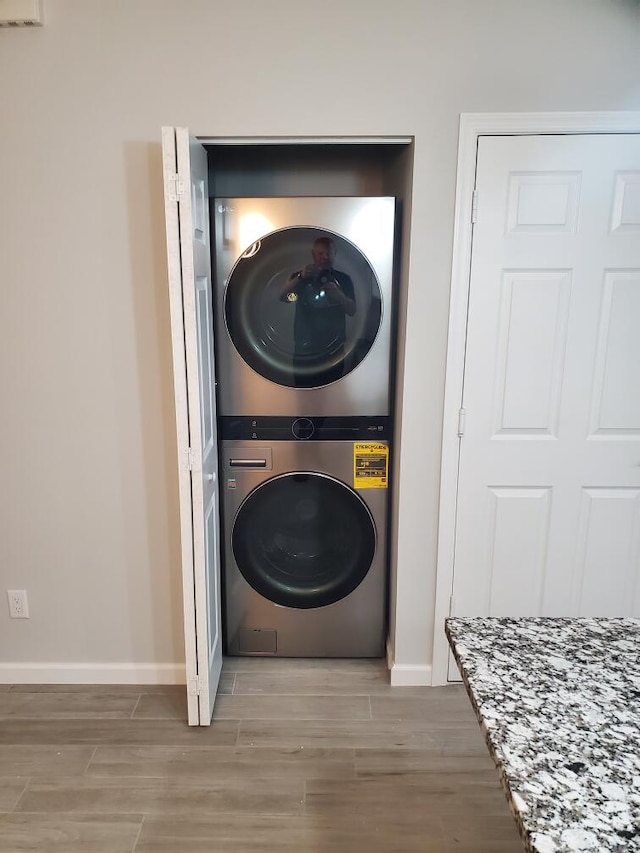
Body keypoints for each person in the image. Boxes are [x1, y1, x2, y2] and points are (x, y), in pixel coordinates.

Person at [278, 236, 356, 384]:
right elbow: (282, 297)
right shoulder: (300, 277)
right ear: (313, 254)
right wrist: (301, 277)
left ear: (335, 254)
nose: (325, 257)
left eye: (329, 253)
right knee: (303, 397)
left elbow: (352, 310)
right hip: (304, 350)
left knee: (333, 397)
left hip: (334, 350)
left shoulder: (344, 279)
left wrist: (340, 296)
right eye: (321, 253)